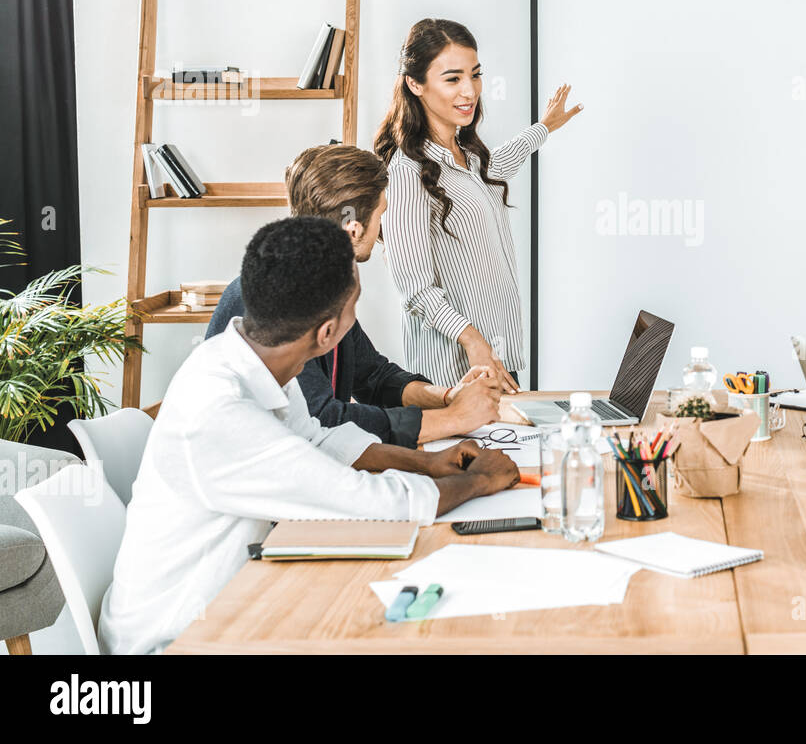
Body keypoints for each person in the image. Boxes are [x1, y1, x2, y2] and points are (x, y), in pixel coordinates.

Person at [100, 217, 519, 654]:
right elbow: (374, 503)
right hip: (177, 640)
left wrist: (429, 462)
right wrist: (479, 481)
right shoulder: (221, 411)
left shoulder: (249, 362)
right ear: (327, 334)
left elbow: (317, 441)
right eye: (355, 304)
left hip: (236, 601)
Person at [206, 144, 500, 447]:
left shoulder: (322, 285)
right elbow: (321, 421)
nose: (382, 231)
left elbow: (373, 376)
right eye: (380, 215)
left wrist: (447, 397)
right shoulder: (273, 298)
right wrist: (454, 419)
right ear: (353, 230)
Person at [375, 18, 583, 392]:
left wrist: (544, 128)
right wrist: (472, 340)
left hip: (497, 359)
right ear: (415, 83)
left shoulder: (469, 158)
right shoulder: (406, 173)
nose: (469, 91)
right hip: (455, 372)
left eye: (475, 74)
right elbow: (415, 287)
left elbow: (502, 162)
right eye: (452, 79)